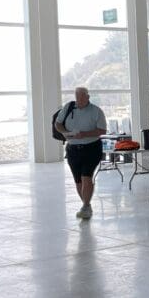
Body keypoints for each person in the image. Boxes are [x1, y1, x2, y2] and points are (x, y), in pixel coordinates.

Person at [55, 86, 107, 220]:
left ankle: (85, 206)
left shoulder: (96, 111)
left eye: (82, 97)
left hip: (91, 148)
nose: (79, 100)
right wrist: (65, 133)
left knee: (86, 177)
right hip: (72, 149)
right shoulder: (68, 107)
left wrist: (85, 134)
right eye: (77, 97)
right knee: (78, 181)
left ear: (88, 97)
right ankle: (87, 205)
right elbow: (58, 124)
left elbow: (102, 130)